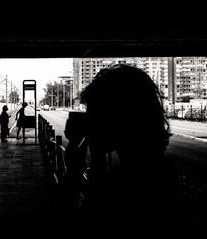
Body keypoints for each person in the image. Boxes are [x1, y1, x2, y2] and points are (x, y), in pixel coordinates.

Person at [75, 64, 178, 237]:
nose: (90, 122)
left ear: (117, 117)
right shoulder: (154, 168)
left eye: (94, 114)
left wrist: (77, 158)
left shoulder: (136, 180)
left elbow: (88, 221)